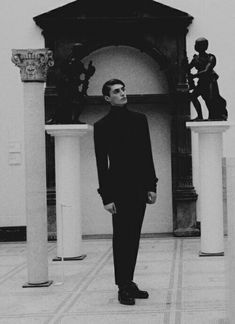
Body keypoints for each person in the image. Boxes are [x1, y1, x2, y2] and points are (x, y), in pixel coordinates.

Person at [93, 79, 158, 305]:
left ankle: (129, 282)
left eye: (123, 90)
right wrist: (106, 197)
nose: (123, 93)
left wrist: (152, 185)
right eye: (117, 91)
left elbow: (146, 154)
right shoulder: (101, 126)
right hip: (118, 189)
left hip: (139, 187)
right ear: (107, 98)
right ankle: (122, 286)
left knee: (134, 236)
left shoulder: (140, 120)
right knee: (122, 237)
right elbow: (102, 164)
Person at [187, 37, 227, 121]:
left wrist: (194, 75)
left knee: (210, 99)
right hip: (202, 82)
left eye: (197, 44)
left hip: (210, 81)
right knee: (193, 96)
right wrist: (185, 65)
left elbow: (206, 71)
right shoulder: (195, 59)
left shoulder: (211, 58)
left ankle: (213, 116)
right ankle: (200, 116)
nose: (195, 46)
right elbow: (188, 68)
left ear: (203, 46)